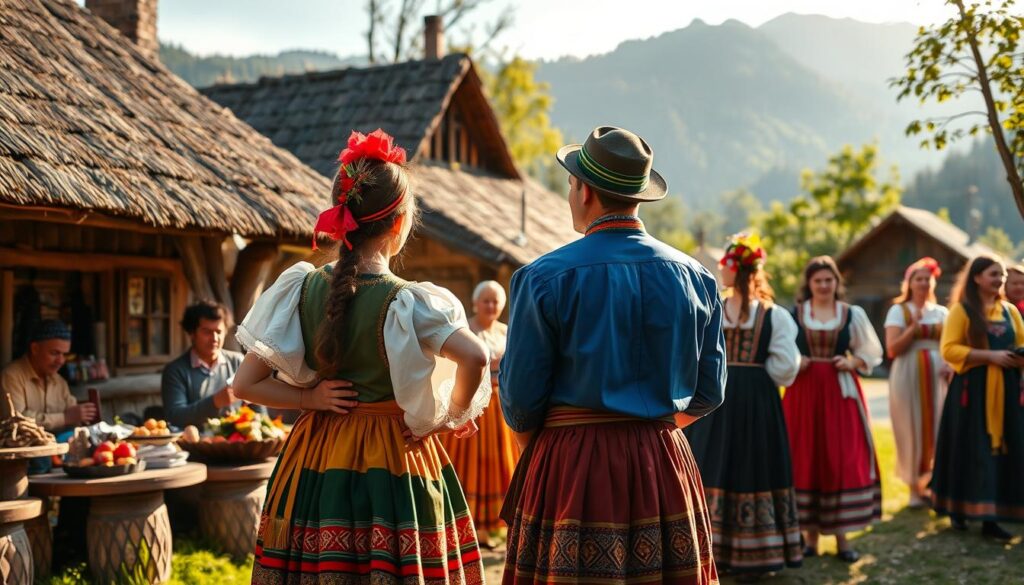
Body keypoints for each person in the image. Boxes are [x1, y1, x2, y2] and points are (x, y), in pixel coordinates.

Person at [232, 129, 491, 584]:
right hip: (392, 458)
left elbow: (245, 385)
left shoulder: (301, 287)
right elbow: (474, 357)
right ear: (399, 223)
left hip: (315, 454)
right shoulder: (411, 302)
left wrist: (311, 400)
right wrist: (446, 417)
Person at [500, 126, 725, 584]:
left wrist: (555, 448)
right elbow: (709, 392)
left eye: (569, 185)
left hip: (570, 464)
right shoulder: (697, 277)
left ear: (584, 191)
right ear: (638, 196)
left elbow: (521, 402)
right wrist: (647, 427)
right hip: (663, 461)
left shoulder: (542, 278)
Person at [684, 233, 802, 581]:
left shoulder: (721, 308)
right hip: (750, 402)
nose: (720, 269)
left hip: (722, 399)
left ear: (737, 269)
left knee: (724, 464)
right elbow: (785, 368)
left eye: (725, 264)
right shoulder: (769, 315)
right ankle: (735, 551)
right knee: (741, 465)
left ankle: (722, 551)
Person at [784, 256, 883, 563]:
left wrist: (852, 361)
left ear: (837, 282)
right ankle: (810, 539)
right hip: (804, 392)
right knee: (806, 457)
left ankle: (843, 539)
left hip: (840, 393)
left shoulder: (851, 314)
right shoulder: (795, 315)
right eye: (818, 281)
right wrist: (797, 362)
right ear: (809, 284)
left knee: (839, 458)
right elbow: (782, 350)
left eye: (829, 280)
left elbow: (871, 352)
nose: (825, 285)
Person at [932, 255, 1024, 540]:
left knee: (1002, 449)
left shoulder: (1009, 311)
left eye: (1001, 276)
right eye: (993, 275)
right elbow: (949, 350)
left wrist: (1017, 358)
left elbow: (1020, 343)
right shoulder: (962, 311)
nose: (999, 280)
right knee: (971, 448)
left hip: (1005, 389)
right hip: (972, 392)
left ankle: (994, 514)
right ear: (977, 278)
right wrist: (990, 356)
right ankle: (962, 509)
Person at [439, 280, 518, 549]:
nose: (491, 305)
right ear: (474, 303)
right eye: (486, 300)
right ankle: (465, 529)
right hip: (471, 405)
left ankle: (490, 529)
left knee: (498, 465)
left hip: (499, 408)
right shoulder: (465, 330)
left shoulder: (507, 332)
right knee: (469, 466)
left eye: (496, 301)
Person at [884, 257, 951, 507]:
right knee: (911, 426)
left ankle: (933, 484)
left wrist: (949, 363)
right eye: (918, 279)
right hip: (908, 372)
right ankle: (913, 486)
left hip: (936, 374)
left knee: (936, 424)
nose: (923, 283)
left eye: (927, 278)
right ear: (909, 283)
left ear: (933, 282)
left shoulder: (942, 313)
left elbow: (948, 345)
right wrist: (913, 328)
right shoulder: (898, 311)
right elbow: (892, 349)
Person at [1, 319, 97, 473]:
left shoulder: (59, 382)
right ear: (35, 348)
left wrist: (82, 419)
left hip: (55, 460)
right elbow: (16, 423)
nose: (61, 361)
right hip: (21, 462)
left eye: (65, 354)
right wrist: (64, 418)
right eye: (54, 353)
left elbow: (74, 418)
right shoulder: (11, 376)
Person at [161, 300, 261, 428]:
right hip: (195, 444)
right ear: (192, 333)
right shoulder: (175, 371)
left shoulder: (238, 362)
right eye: (207, 332)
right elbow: (175, 416)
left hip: (237, 441)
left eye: (218, 332)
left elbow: (258, 408)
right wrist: (215, 402)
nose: (214, 338)